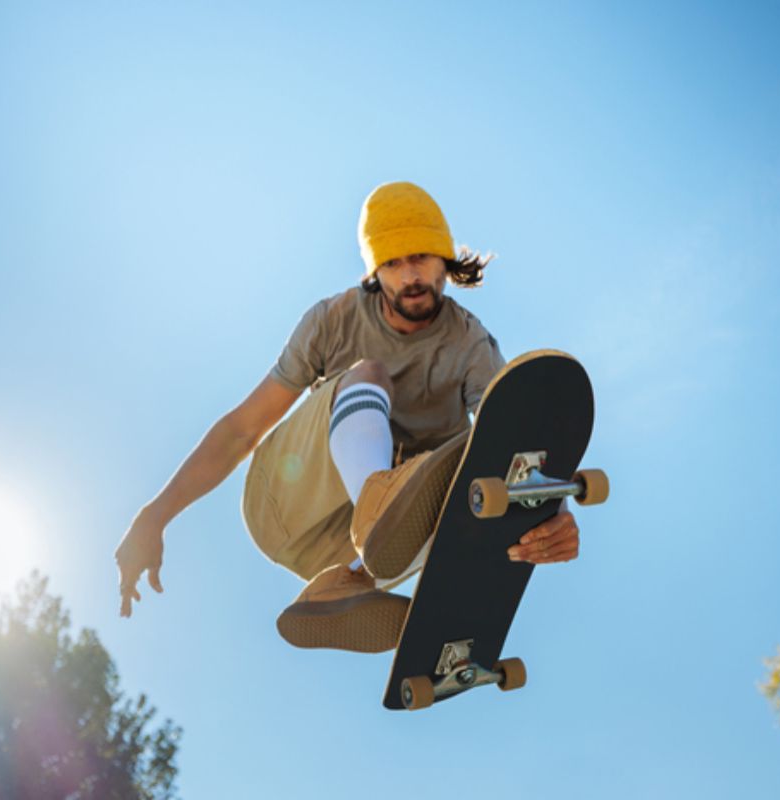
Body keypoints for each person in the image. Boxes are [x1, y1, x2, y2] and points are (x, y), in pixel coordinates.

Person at [115, 181, 581, 652]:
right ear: (375, 270)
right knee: (369, 376)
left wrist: (553, 512)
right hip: (282, 501)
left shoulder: (470, 347)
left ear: (445, 259)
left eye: (419, 257)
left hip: (349, 555)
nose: (409, 276)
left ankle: (343, 587)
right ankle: (377, 509)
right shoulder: (332, 320)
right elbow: (241, 430)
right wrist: (154, 517)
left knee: (473, 471)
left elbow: (516, 449)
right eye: (392, 263)